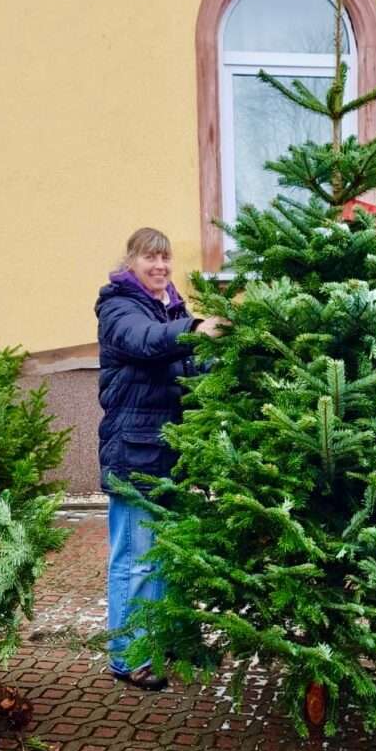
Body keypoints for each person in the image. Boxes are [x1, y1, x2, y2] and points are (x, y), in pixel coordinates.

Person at [95, 227, 224, 690]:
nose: (160, 266)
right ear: (131, 261)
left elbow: (188, 365)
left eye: (166, 259)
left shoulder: (170, 307)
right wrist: (192, 330)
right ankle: (128, 658)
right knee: (135, 557)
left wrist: (225, 354)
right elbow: (146, 340)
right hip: (134, 453)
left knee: (165, 557)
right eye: (150, 258)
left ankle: (161, 640)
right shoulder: (118, 307)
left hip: (168, 452)